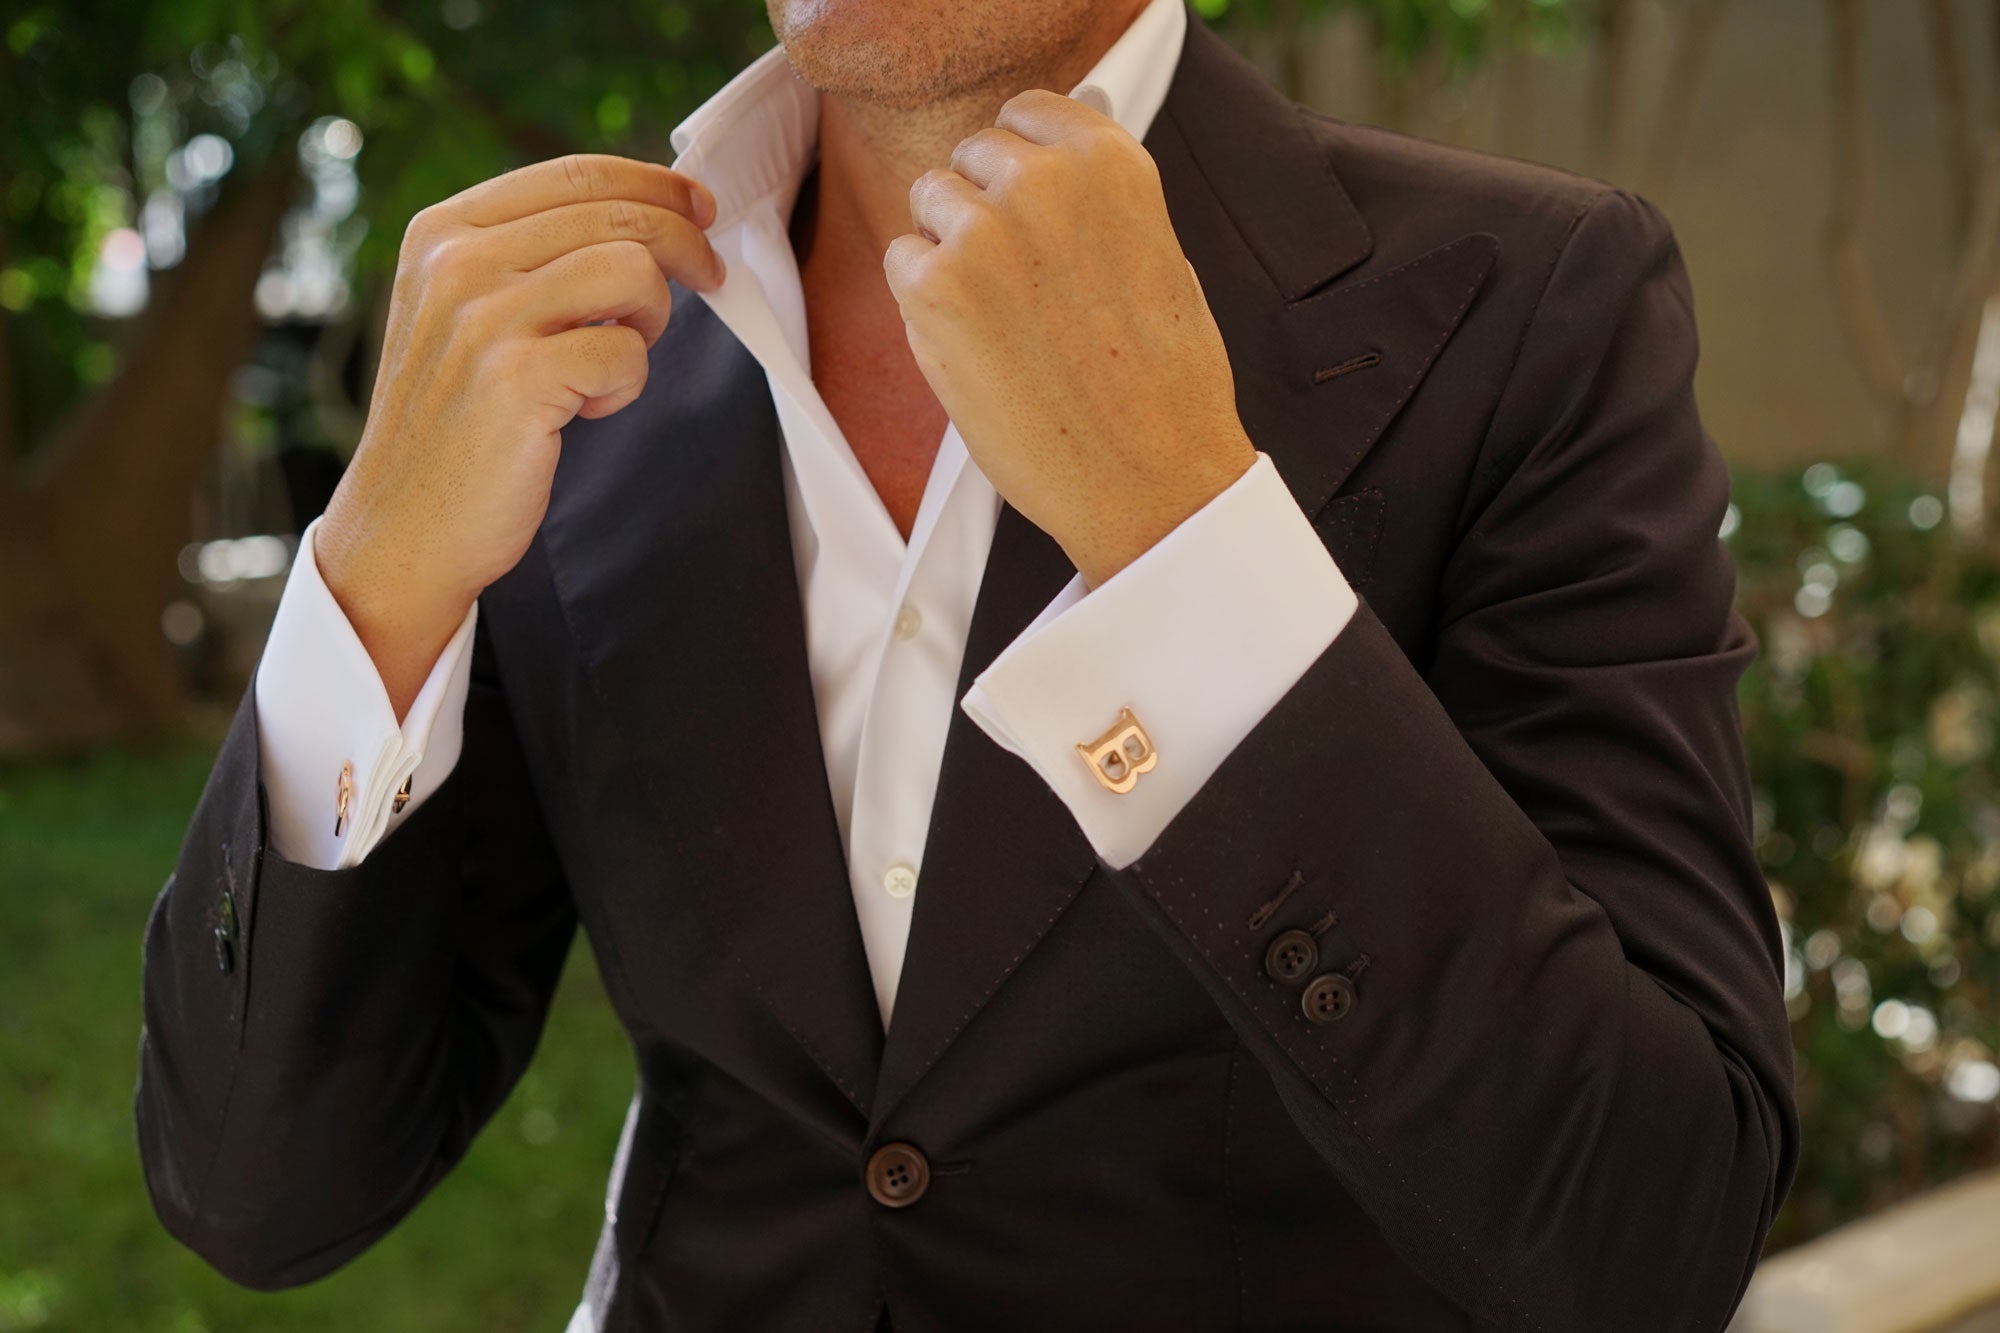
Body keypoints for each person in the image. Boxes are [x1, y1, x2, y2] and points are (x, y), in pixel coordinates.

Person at [135, 0, 1798, 1328]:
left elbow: (1652, 1232)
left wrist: (1177, 532)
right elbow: (263, 1198)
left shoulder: (1526, 306)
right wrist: (372, 582)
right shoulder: (582, 378)